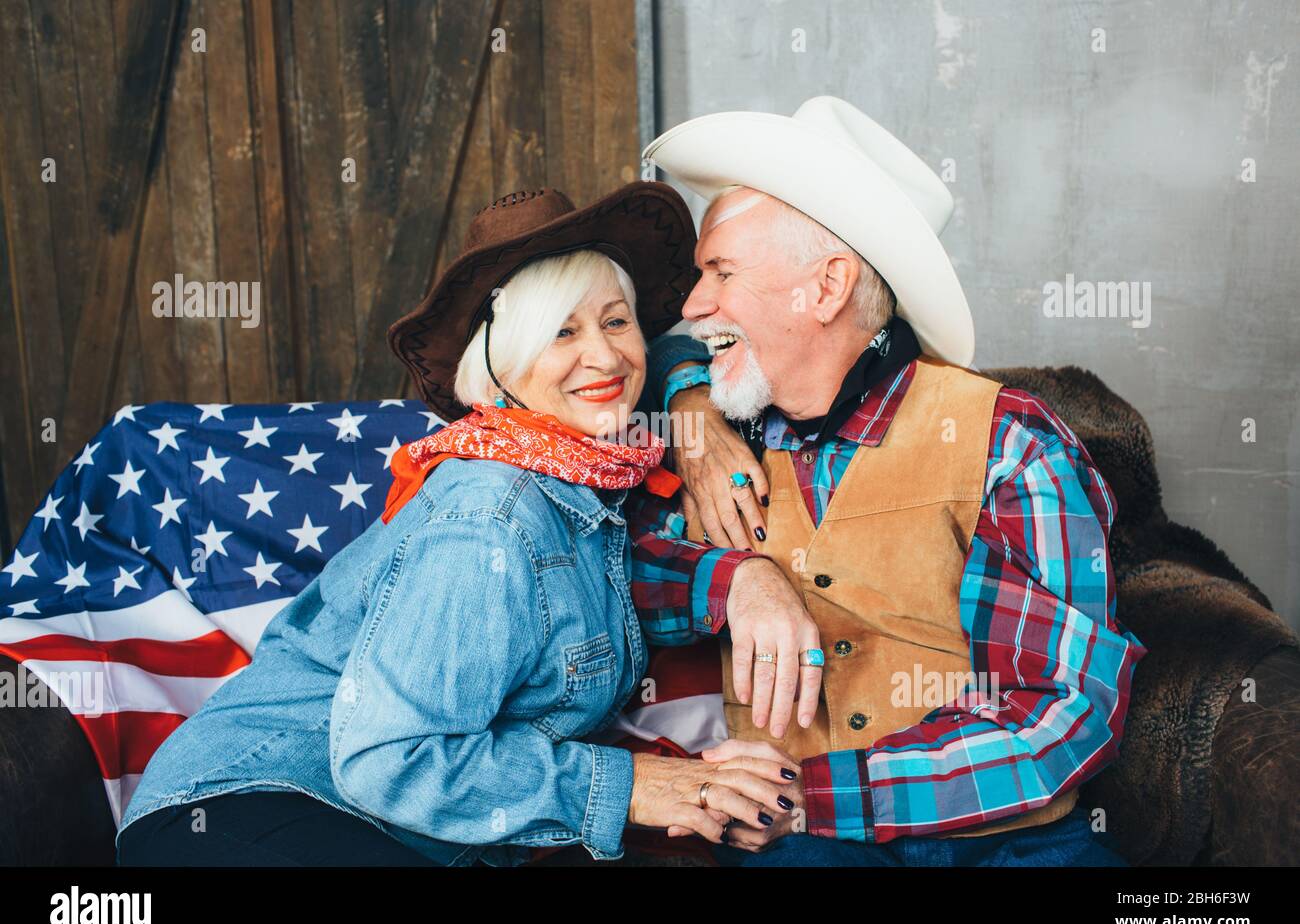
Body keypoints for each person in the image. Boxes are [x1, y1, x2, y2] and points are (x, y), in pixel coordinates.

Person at [115, 182, 799, 867]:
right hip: (252, 808)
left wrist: (694, 411)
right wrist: (633, 785)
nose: (606, 356)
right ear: (499, 366)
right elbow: (391, 756)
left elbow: (679, 345)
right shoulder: (488, 516)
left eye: (616, 322)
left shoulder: (588, 483)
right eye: (561, 330)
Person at [629, 97, 1147, 865]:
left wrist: (821, 798)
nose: (692, 304)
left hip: (1009, 849)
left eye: (721, 272)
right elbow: (607, 584)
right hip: (798, 852)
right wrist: (735, 580)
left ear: (827, 286)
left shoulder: (1006, 442)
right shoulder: (713, 435)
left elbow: (1065, 705)